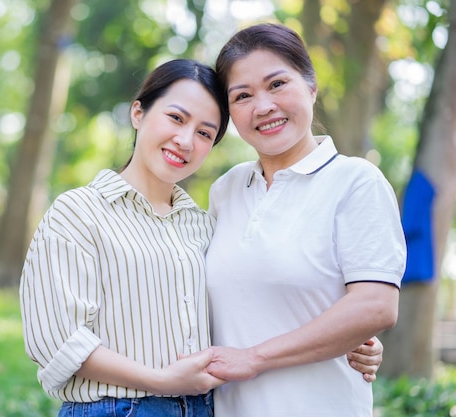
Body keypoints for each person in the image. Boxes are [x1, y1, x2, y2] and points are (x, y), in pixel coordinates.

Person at [19, 58, 384, 417]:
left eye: (205, 133)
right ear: (138, 114)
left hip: (204, 408)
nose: (185, 140)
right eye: (176, 118)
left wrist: (352, 338)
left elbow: (244, 299)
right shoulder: (79, 211)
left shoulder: (202, 224)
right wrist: (161, 381)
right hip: (117, 408)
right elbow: (57, 341)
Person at [204, 23, 406, 416]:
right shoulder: (225, 190)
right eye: (242, 95)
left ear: (311, 87)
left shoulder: (355, 181)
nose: (263, 106)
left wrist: (254, 357)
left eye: (277, 84)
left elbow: (376, 306)